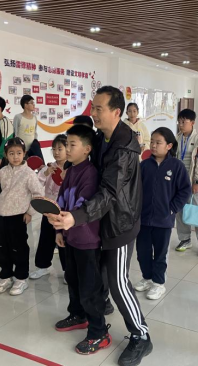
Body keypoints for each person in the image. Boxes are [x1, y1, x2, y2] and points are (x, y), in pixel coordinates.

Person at [47, 86, 153, 366]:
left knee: (118, 282)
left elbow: (110, 192)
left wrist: (76, 217)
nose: (93, 113)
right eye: (92, 107)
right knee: (94, 278)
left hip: (119, 224)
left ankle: (141, 335)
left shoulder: (124, 148)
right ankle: (86, 315)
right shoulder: (100, 137)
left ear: (116, 112)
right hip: (98, 222)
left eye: (98, 109)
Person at [54, 124, 112, 355]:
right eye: (66, 144)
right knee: (72, 279)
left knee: (90, 288)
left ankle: (99, 332)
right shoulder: (71, 171)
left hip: (87, 241)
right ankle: (78, 315)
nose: (67, 149)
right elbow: (61, 201)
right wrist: (59, 231)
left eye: (72, 145)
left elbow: (82, 206)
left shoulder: (90, 173)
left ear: (87, 149)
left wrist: (66, 223)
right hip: (70, 238)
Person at [0, 137, 44, 296]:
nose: (15, 156)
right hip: (2, 215)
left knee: (19, 248)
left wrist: (30, 212)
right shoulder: (4, 171)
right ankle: (6, 275)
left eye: (18, 153)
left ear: (24, 153)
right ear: (6, 155)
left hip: (18, 216)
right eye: (11, 153)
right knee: (1, 247)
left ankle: (21, 278)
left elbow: (38, 194)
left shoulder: (29, 174)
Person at [135, 127, 191, 300]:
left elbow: (185, 190)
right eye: (152, 141)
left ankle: (158, 283)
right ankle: (147, 278)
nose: (153, 145)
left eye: (158, 142)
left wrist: (172, 208)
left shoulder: (176, 166)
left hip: (164, 221)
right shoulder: (144, 165)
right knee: (142, 252)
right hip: (144, 219)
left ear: (169, 146)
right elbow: (136, 190)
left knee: (160, 254)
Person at [30, 134, 68, 280]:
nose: (56, 152)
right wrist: (45, 174)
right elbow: (37, 185)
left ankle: (67, 270)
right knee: (45, 238)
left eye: (60, 149)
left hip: (64, 212)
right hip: (49, 210)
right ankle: (43, 266)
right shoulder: (48, 167)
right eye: (54, 149)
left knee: (64, 242)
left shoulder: (71, 168)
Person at [174, 109, 198, 257]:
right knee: (179, 212)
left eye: (184, 122)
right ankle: (185, 239)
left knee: (197, 213)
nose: (181, 124)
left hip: (193, 182)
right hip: (178, 182)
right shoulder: (177, 138)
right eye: (179, 121)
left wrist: (197, 182)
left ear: (193, 123)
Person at [13, 95, 43, 160]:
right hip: (21, 150)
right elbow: (15, 133)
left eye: (33, 103)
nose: (33, 105)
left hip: (32, 150)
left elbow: (35, 133)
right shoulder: (18, 117)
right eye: (31, 103)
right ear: (25, 105)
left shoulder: (34, 117)